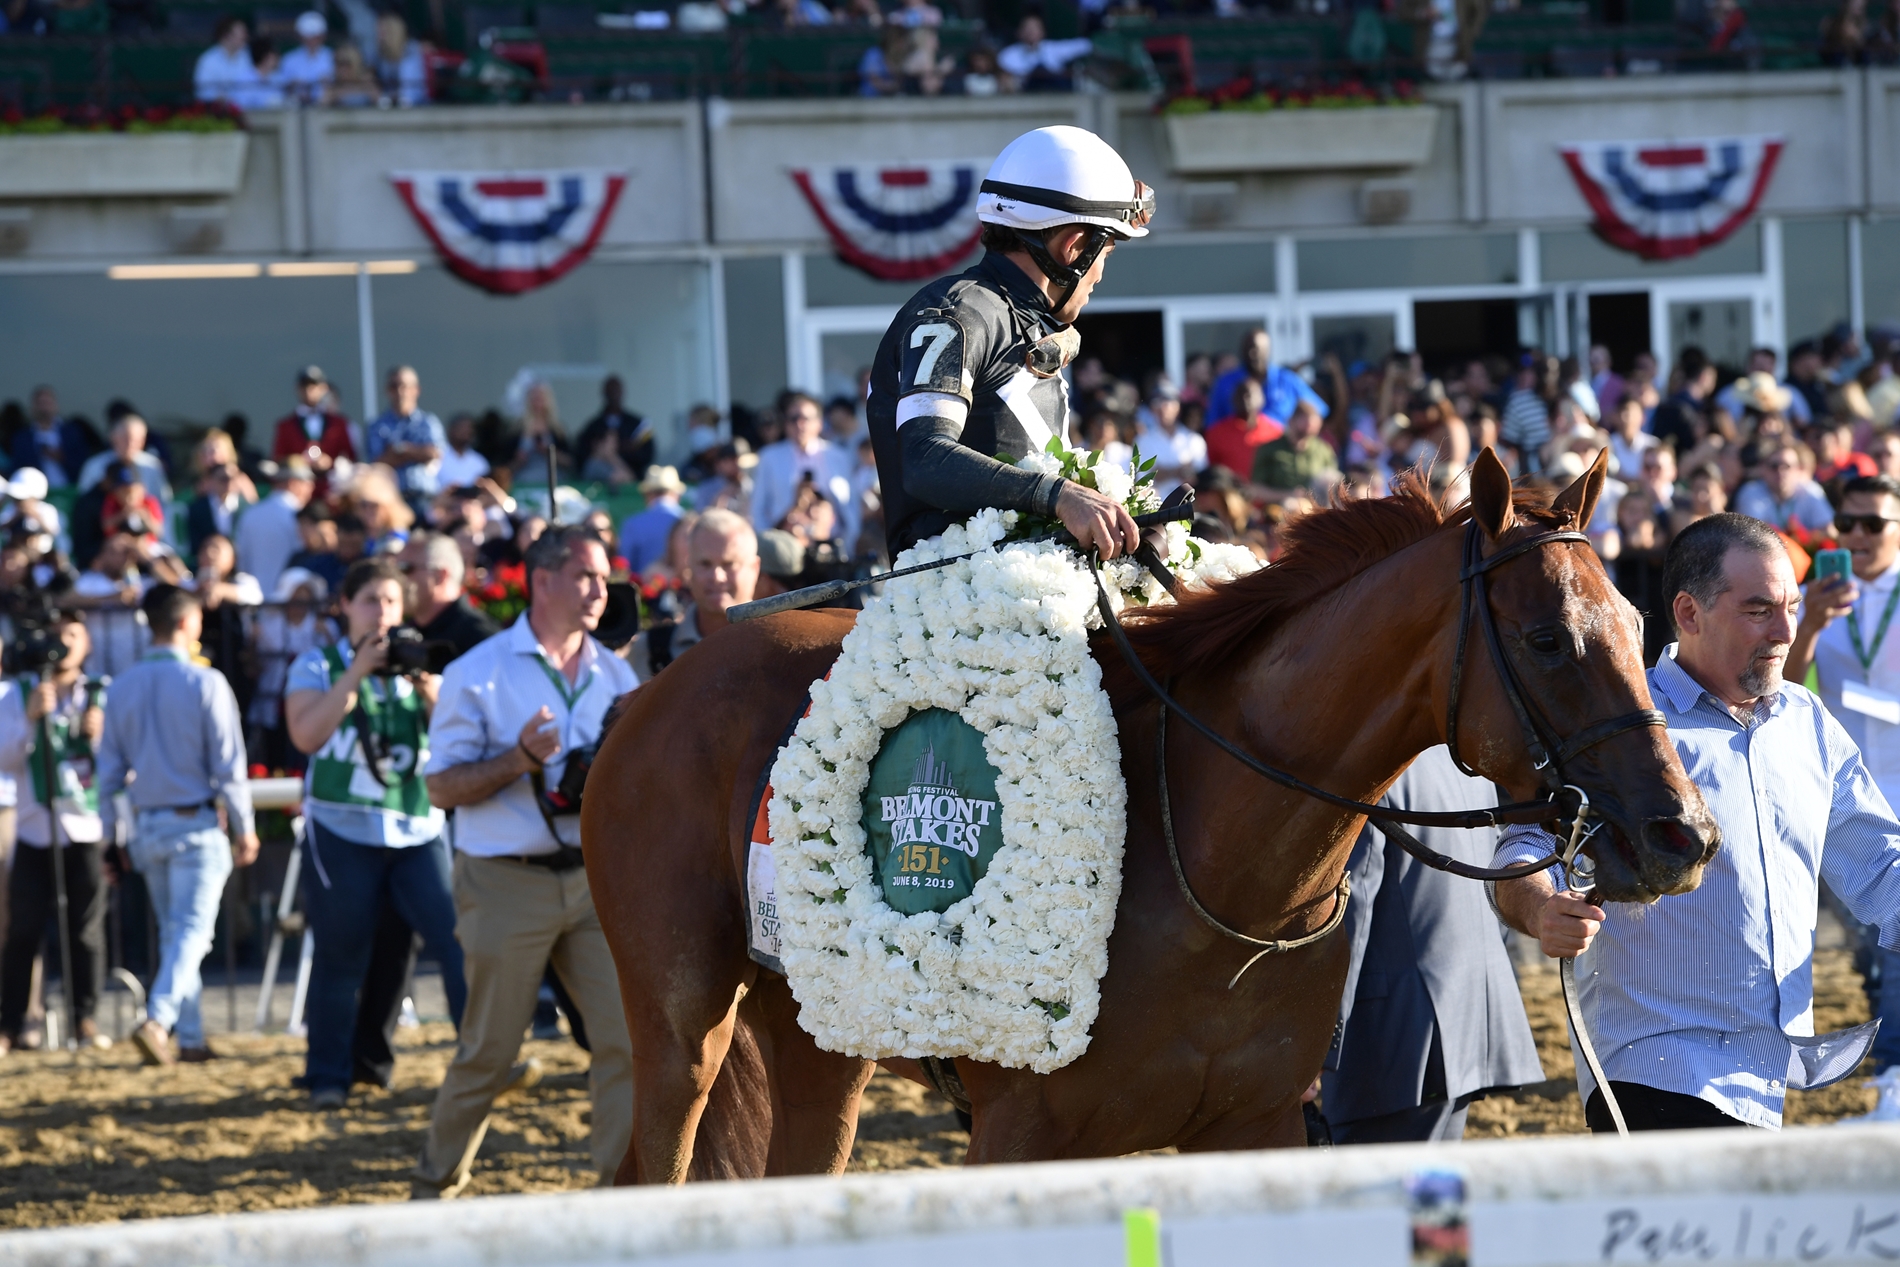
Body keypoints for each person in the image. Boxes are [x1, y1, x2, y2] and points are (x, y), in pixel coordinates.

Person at [1492, 514, 1900, 1130]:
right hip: (1650, 1065)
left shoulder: (1807, 721)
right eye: (1758, 609)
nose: (1787, 630)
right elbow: (1521, 844)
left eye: (1790, 605)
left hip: (1763, 1074)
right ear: (1688, 613)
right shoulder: (1626, 723)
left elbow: (1880, 868)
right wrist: (1540, 906)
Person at [413, 525, 637, 1197]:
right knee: (488, 1052)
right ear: (543, 581)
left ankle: (621, 1197)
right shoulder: (475, 671)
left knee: (626, 1042)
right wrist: (518, 760)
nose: (602, 590)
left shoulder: (618, 673)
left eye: (604, 577)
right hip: (502, 878)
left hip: (593, 881)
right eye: (586, 576)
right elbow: (438, 787)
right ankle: (434, 1186)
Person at [866, 126, 1153, 558]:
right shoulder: (955, 315)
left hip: (1032, 573)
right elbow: (924, 456)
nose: (1100, 276)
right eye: (1106, 254)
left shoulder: (1025, 317)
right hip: (959, 593)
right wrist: (1059, 495)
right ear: (1075, 247)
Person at [285, 558, 464, 1107]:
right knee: (341, 954)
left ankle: (485, 1060)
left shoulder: (417, 668)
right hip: (342, 828)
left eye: (391, 601)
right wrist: (355, 673)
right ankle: (328, 1077)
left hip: (416, 829)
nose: (382, 612)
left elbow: (459, 738)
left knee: (458, 943)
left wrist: (430, 689)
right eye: (370, 600)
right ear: (345, 606)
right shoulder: (318, 665)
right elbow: (306, 736)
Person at [1320, 746, 1544, 1144]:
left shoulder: (1373, 768)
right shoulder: (1464, 763)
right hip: (1470, 1019)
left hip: (1390, 1041)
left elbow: (1348, 916)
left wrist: (1318, 1048)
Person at [99, 585, 259, 1066]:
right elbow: (229, 766)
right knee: (191, 934)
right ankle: (160, 1018)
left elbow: (107, 777)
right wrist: (245, 827)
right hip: (194, 822)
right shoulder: (205, 682)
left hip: (147, 825)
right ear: (189, 624)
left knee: (177, 934)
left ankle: (186, 1036)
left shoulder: (121, 686)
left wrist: (112, 839)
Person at [1788, 473, 1900, 1073]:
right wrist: (1810, 625)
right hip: (1844, 794)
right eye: (1846, 523)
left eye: (1873, 524)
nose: (1857, 535)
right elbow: (1784, 686)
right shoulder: (1812, 594)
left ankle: (1891, 1066)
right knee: (1866, 943)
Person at [0, 615, 110, 1055]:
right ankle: (9, 1023)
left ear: (86, 644)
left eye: (72, 636)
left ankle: (85, 1019)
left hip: (83, 826)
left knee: (85, 931)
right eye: (57, 636)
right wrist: (29, 722)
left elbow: (119, 762)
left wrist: (97, 737)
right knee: (23, 929)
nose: (63, 645)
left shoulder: (100, 693)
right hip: (34, 827)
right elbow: (5, 761)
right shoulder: (20, 694)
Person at [627, 509, 758, 682]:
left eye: (729, 564)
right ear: (689, 567)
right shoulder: (650, 650)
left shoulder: (779, 646)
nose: (717, 577)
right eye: (705, 564)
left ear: (754, 568)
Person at [748, 393, 857, 549]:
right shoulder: (769, 457)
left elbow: (851, 507)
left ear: (819, 423)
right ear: (785, 424)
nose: (799, 424)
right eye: (793, 419)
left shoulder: (838, 456)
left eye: (805, 418)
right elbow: (757, 508)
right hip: (786, 547)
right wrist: (769, 547)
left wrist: (847, 546)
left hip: (832, 549)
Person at [366, 367, 446, 521]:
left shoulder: (428, 422)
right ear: (387, 391)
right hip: (391, 502)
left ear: (416, 390)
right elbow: (377, 463)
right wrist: (417, 453)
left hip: (425, 499)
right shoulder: (377, 425)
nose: (400, 391)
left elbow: (434, 453)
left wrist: (401, 450)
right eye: (394, 386)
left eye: (405, 386)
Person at [400, 532, 498, 657]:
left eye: (405, 569)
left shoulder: (482, 640)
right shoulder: (408, 632)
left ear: (439, 576)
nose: (396, 579)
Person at [237, 456, 316, 597]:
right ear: (293, 483)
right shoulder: (297, 517)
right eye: (307, 483)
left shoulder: (250, 513)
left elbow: (241, 560)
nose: (311, 490)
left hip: (252, 603)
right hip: (287, 605)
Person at [272, 366, 355, 496]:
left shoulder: (339, 424)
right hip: (298, 493)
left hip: (331, 493)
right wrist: (300, 462)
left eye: (314, 385)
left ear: (324, 388)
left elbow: (350, 458)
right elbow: (278, 460)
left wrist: (329, 462)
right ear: (298, 389)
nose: (309, 390)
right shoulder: (285, 426)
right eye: (304, 386)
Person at [1132, 377, 1205, 500]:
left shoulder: (1194, 440)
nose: (1162, 408)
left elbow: (1199, 477)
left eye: (1167, 402)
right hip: (1157, 508)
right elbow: (1143, 481)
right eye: (1156, 403)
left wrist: (1163, 472)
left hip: (1189, 506)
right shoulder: (1142, 440)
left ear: (1178, 406)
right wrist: (1179, 470)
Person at [1736, 444, 1834, 534]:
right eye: (1774, 466)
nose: (1781, 472)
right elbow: (1750, 535)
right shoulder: (1750, 492)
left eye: (1787, 466)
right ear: (1763, 468)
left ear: (1797, 469)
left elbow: (1829, 530)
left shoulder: (1811, 491)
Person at [78, 411, 171, 504]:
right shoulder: (94, 465)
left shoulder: (152, 465)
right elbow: (83, 504)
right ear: (113, 437)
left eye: (136, 439)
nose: (130, 444)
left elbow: (165, 503)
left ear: (143, 441)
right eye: (125, 438)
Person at [573, 376, 653, 483]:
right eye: (610, 391)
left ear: (623, 392)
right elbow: (581, 456)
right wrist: (604, 453)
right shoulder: (593, 427)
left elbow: (647, 454)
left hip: (635, 482)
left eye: (616, 390)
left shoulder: (638, 424)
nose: (613, 395)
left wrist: (621, 450)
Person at [11, 387, 93, 490]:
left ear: (55, 405)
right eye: (40, 403)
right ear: (33, 407)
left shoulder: (71, 432)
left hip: (70, 490)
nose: (44, 408)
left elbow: (84, 463)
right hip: (35, 493)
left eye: (47, 403)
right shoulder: (23, 438)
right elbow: (17, 468)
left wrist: (62, 457)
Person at [1252, 400, 1338, 496]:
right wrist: (1287, 495)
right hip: (1278, 507)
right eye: (1303, 421)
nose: (1308, 427)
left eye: (1312, 423)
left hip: (1315, 507)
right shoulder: (1270, 449)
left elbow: (1333, 482)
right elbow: (1256, 489)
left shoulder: (1323, 450)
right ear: (1291, 421)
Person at [1203, 378, 1282, 480]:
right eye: (1240, 394)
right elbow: (1211, 469)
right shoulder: (1216, 433)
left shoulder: (1275, 432)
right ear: (1233, 399)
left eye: (1249, 394)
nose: (1245, 398)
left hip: (1265, 493)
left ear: (1261, 399)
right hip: (1230, 492)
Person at [618, 466, 686, 577]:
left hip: (643, 591)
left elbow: (624, 566)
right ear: (676, 494)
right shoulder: (689, 523)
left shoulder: (632, 523)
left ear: (647, 495)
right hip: (684, 590)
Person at [996, 14, 1093, 91]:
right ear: (1019, 32)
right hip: (1027, 93)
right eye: (1027, 28)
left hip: (1057, 91)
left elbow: (1084, 45)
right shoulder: (1008, 54)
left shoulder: (1053, 48)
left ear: (1042, 32)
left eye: (1035, 28)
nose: (1031, 32)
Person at [185, 460, 252, 559]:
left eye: (233, 478)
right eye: (224, 479)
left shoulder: (246, 508)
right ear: (211, 480)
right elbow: (194, 544)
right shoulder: (197, 508)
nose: (229, 482)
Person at [369, 10, 428, 106]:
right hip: (390, 101)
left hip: (416, 102)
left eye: (382, 32)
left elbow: (412, 92)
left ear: (393, 32)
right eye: (378, 32)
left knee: (408, 65)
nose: (379, 36)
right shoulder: (379, 55)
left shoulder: (412, 50)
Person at [194, 16, 257, 103]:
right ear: (227, 36)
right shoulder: (208, 60)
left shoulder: (248, 55)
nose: (245, 37)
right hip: (218, 112)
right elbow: (202, 93)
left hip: (248, 108)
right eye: (241, 33)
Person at [279, 10, 335, 103]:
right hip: (296, 108)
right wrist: (292, 85)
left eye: (315, 37)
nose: (311, 41)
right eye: (307, 37)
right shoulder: (289, 59)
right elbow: (281, 88)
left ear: (322, 36)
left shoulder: (332, 56)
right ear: (300, 37)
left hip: (326, 106)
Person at [436, 413, 490, 491]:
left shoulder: (480, 461)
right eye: (462, 427)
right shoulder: (437, 455)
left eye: (469, 428)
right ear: (451, 429)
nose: (466, 431)